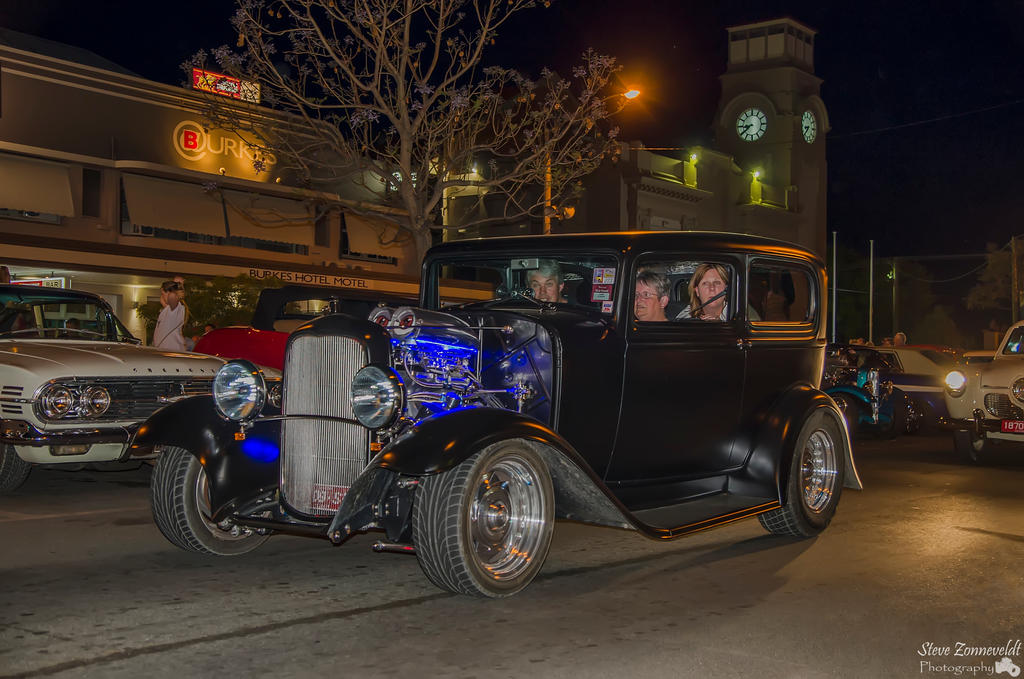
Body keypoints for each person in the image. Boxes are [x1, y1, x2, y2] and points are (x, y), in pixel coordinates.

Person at [154, 278, 188, 350]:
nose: (162, 296)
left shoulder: (175, 309)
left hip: (173, 350)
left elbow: (172, 296)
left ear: (169, 293)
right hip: (166, 350)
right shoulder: (167, 309)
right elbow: (162, 300)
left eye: (163, 294)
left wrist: (177, 285)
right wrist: (173, 285)